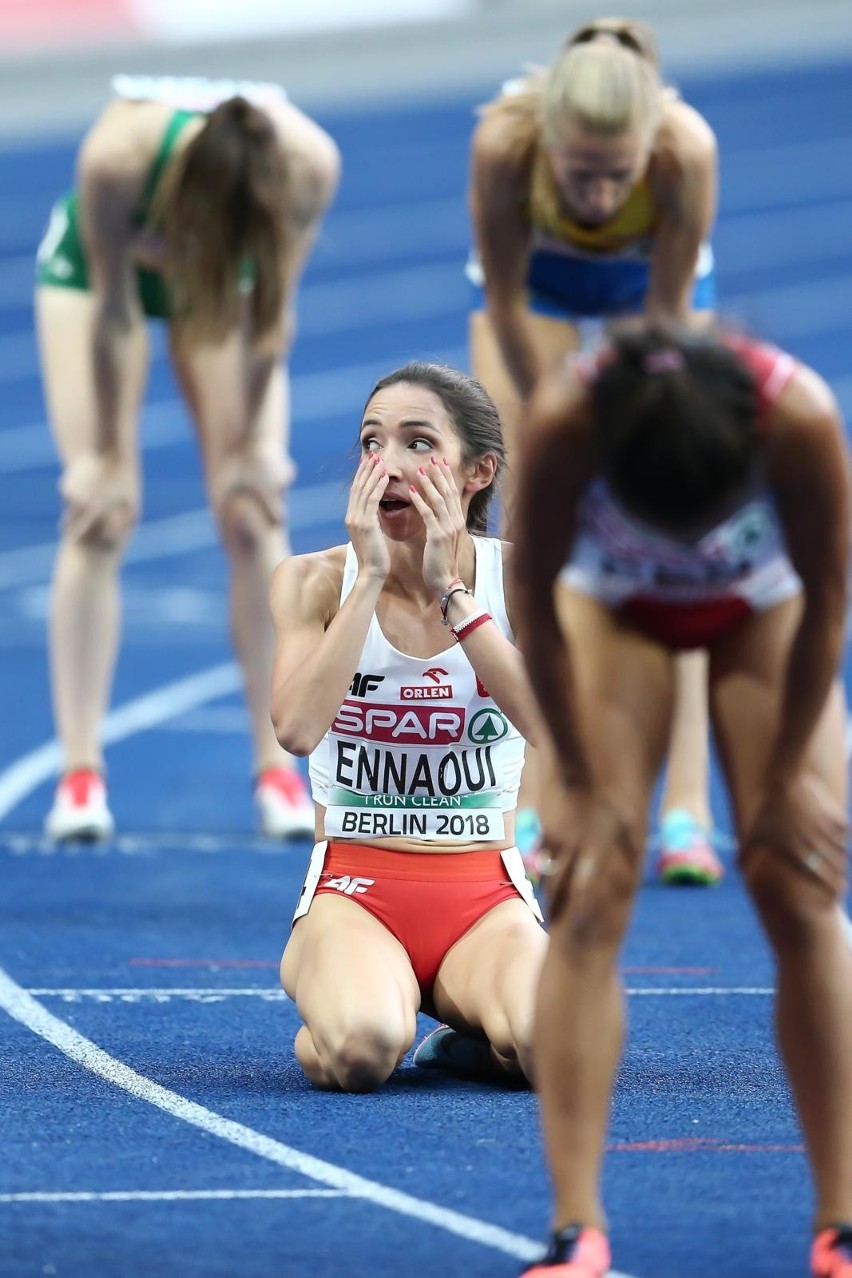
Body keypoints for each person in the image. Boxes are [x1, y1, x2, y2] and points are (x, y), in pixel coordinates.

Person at [511, 321, 852, 1277]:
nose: (688, 542)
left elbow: (828, 596)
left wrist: (785, 782)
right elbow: (533, 601)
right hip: (613, 607)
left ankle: (843, 1220)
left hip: (764, 603)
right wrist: (572, 775)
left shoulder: (801, 418)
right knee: (591, 886)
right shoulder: (564, 419)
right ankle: (576, 1227)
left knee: (800, 884)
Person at [35, 74, 340, 841]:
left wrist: (256, 450)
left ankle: (277, 767)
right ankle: (80, 773)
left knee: (250, 510)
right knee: (101, 515)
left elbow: (273, 315)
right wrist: (103, 454)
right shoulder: (116, 158)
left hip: (226, 292)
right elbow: (111, 314)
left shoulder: (308, 166)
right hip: (105, 281)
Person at [467, 16, 721, 884]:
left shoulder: (686, 150)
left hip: (650, 297)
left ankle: (685, 807)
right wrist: (554, 421)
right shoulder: (505, 142)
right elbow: (503, 304)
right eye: (582, 176)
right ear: (549, 145)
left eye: (621, 177)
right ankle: (531, 794)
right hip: (531, 290)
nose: (603, 199)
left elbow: (664, 330)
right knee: (529, 526)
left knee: (670, 531)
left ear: (648, 147)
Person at [270, 361, 547, 1091]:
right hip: (356, 886)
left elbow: (556, 729)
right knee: (365, 1049)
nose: (386, 465)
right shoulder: (313, 581)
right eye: (371, 443)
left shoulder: (520, 579)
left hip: (484, 891)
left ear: (477, 472)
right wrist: (368, 579)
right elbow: (296, 730)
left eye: (418, 444)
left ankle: (469, 1044)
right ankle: (342, 1014)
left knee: (554, 1048)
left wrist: (450, 593)